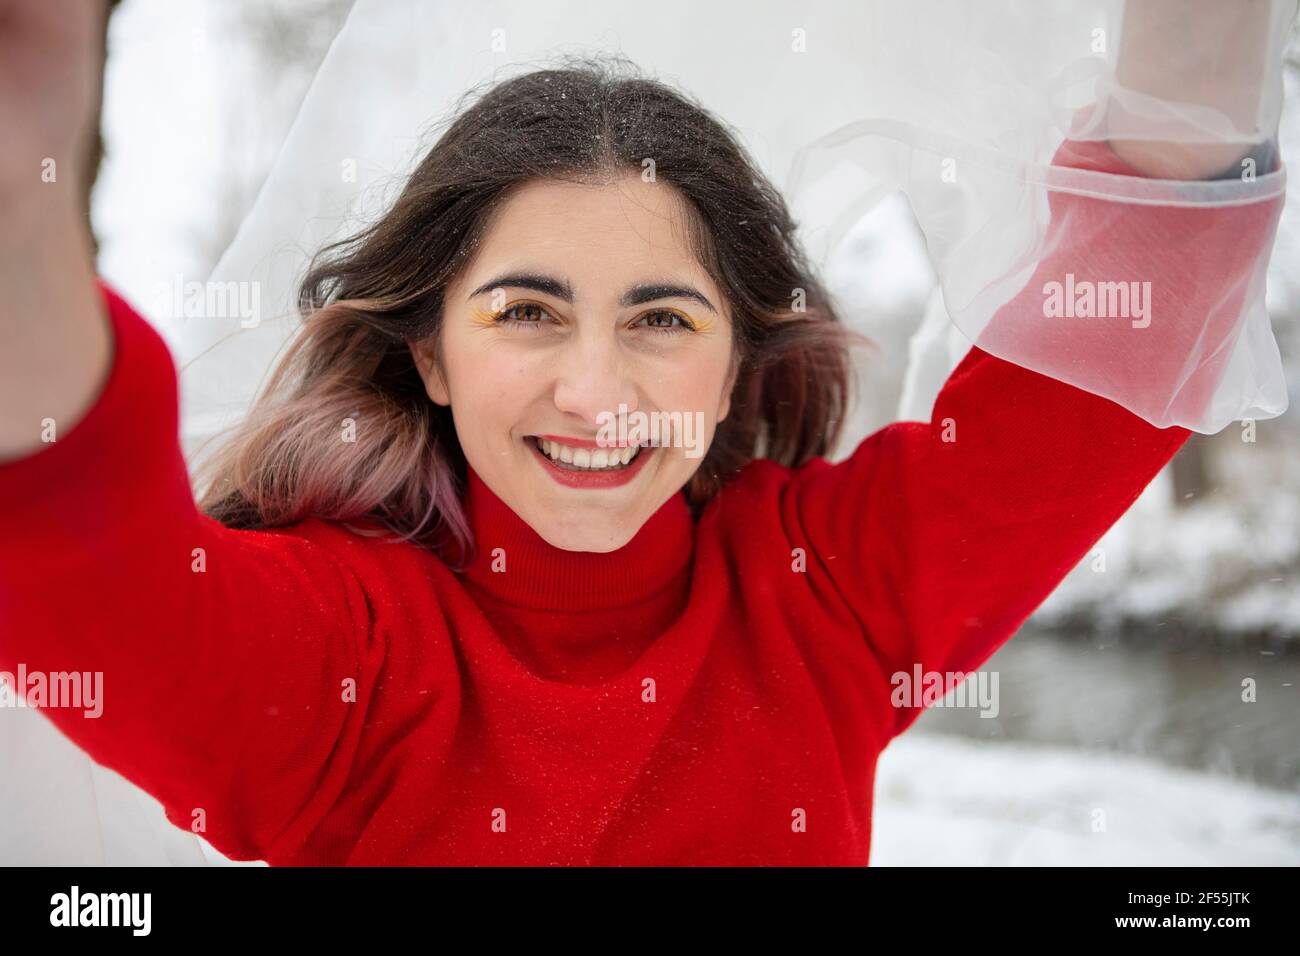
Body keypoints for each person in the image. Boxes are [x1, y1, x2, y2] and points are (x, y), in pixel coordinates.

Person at [0, 0, 1288, 865]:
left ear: (738, 364)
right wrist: (18, 188)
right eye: (527, 313)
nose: (595, 392)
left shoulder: (825, 598)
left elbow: (1143, 286)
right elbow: (84, 552)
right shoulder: (351, 652)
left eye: (662, 318)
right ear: (431, 355)